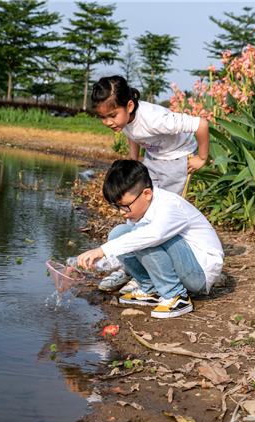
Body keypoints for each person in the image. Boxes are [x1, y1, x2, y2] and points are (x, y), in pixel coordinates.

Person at [91, 75, 211, 295]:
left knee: (161, 215)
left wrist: (201, 158)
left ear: (129, 106)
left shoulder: (156, 118)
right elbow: (133, 134)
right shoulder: (124, 120)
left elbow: (201, 124)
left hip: (177, 159)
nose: (108, 122)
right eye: (103, 117)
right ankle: (134, 271)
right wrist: (135, 162)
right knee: (138, 212)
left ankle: (163, 276)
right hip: (153, 159)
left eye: (112, 115)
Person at [77, 160, 224, 318]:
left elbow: (150, 236)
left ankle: (176, 296)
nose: (121, 212)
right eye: (117, 206)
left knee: (141, 235)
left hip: (199, 272)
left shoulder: (169, 206)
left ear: (147, 194)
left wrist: (102, 250)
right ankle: (151, 289)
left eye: (125, 206)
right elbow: (129, 245)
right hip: (183, 264)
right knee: (118, 233)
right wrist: (98, 263)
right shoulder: (139, 209)